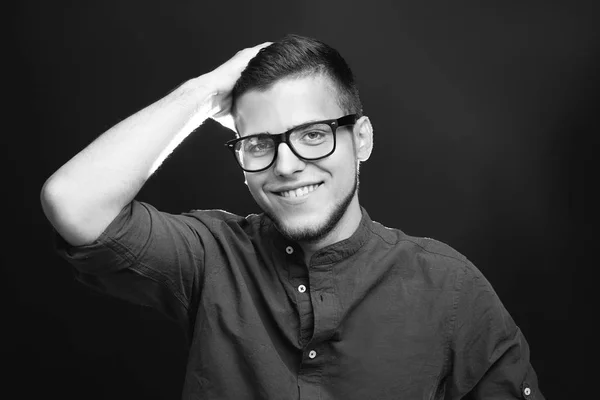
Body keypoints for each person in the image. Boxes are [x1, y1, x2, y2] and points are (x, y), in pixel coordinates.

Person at [40, 34, 544, 399]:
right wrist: (200, 94)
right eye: (259, 144)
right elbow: (74, 202)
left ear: (360, 138)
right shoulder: (212, 256)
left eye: (312, 135)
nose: (285, 166)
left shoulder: (451, 288)